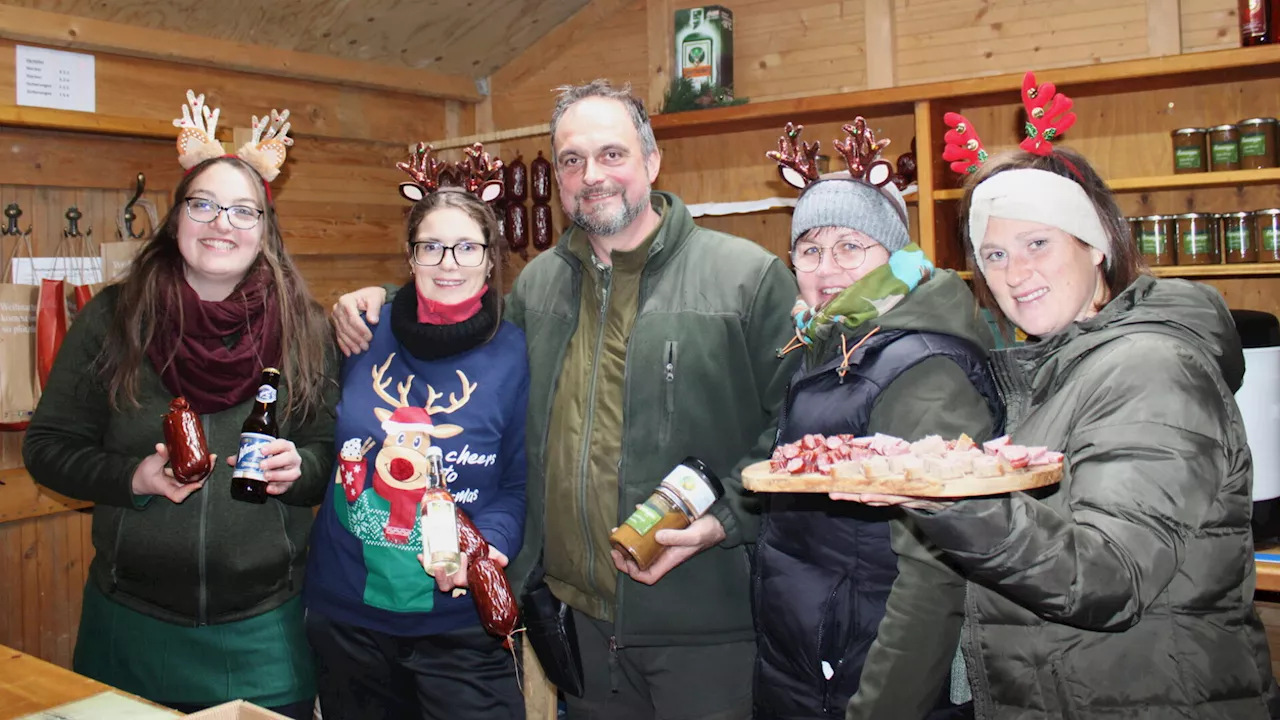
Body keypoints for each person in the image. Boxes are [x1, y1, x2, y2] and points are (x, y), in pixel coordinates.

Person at [332, 79, 799, 719]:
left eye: (613, 154)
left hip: (705, 626)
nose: (592, 175)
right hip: (576, 628)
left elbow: (800, 431)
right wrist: (380, 303)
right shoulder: (540, 286)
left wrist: (728, 520)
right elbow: (454, 317)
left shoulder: (746, 277)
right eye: (572, 160)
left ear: (652, 160)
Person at [839, 140, 1277, 717]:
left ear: (1095, 245)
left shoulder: (1149, 368)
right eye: (993, 255)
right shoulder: (1058, 369)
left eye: (1037, 243)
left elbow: (1108, 579)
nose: (1015, 274)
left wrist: (948, 496)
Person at [22, 91, 335, 719]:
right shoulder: (113, 318)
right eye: (204, 204)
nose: (223, 223)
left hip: (264, 633)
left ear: (265, 230)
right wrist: (131, 477)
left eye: (244, 211)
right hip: (128, 624)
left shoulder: (307, 327)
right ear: (177, 218)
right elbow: (47, 447)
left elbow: (328, 449)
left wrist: (301, 469)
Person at [752, 121, 999, 720]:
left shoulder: (923, 366)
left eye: (851, 247)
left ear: (898, 256)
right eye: (809, 249)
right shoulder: (830, 343)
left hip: (871, 675)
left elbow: (935, 568)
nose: (827, 267)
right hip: (815, 662)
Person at [303, 162, 529, 719]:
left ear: (490, 257)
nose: (447, 264)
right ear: (410, 258)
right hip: (349, 618)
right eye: (430, 247)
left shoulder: (517, 351)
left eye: (466, 248)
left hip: (461, 620)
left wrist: (489, 547)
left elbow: (520, 479)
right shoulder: (360, 331)